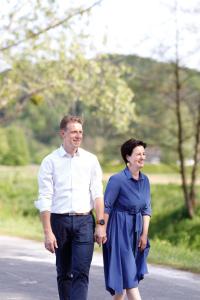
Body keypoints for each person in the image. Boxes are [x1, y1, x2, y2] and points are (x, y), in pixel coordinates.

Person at [35, 115, 107, 300]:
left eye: (80, 132)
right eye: (74, 131)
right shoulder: (49, 162)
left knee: (81, 273)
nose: (78, 135)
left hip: (84, 221)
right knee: (64, 273)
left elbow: (97, 194)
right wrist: (47, 232)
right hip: (59, 221)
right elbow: (44, 198)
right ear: (63, 133)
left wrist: (100, 224)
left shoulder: (91, 160)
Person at [103, 138, 152, 300]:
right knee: (130, 280)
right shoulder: (117, 180)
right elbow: (107, 207)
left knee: (122, 285)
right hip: (118, 231)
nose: (142, 157)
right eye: (138, 154)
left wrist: (144, 234)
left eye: (143, 154)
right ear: (128, 157)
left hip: (136, 230)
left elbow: (146, 209)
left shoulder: (145, 181)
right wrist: (101, 229)